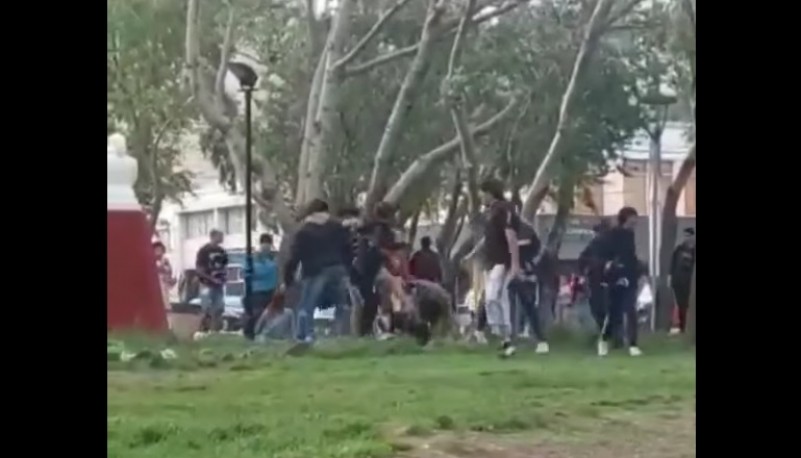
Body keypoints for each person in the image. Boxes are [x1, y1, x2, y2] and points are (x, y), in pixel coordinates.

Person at [283, 199, 352, 349]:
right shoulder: (337, 227)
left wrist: (288, 278)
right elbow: (347, 249)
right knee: (340, 304)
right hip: (338, 268)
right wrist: (347, 267)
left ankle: (306, 335)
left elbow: (295, 256)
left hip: (315, 271)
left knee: (306, 305)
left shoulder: (304, 231)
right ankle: (338, 334)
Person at [477, 178, 521, 358]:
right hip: (493, 261)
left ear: (488, 193)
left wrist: (515, 263)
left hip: (502, 262)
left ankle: (503, 333)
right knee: (497, 300)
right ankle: (506, 340)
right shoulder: (492, 212)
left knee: (493, 298)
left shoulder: (503, 210)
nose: (481, 198)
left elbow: (511, 236)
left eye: (482, 194)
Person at [597, 207, 642, 357]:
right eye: (632, 218)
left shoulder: (631, 235)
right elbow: (605, 255)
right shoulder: (612, 235)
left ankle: (633, 344)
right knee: (614, 312)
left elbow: (631, 256)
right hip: (615, 277)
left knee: (631, 310)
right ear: (625, 218)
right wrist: (610, 267)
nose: (635, 221)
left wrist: (637, 271)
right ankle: (604, 339)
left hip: (629, 277)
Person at [506, 217, 549, 353]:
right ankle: (511, 338)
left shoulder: (524, 230)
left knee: (528, 304)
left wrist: (527, 270)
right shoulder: (507, 230)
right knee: (516, 304)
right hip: (515, 271)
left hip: (527, 271)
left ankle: (539, 339)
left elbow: (532, 254)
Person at [243, 233, 278, 340]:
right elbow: (249, 273)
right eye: (264, 244)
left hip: (271, 289)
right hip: (257, 290)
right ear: (261, 245)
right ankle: (250, 334)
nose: (266, 247)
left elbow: (275, 272)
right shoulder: (254, 258)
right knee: (257, 313)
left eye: (268, 245)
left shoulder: (273, 257)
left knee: (269, 314)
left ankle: (264, 334)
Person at [577, 220, 611, 332]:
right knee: (598, 308)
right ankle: (605, 331)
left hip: (604, 279)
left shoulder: (603, 244)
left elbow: (582, 260)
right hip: (596, 279)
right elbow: (582, 260)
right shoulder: (593, 245)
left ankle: (607, 332)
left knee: (600, 307)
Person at [195, 230, 229, 332]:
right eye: (220, 236)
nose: (222, 238)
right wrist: (211, 279)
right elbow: (199, 269)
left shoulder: (222, 251)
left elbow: (224, 266)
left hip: (218, 285)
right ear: (213, 236)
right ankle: (203, 329)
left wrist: (223, 278)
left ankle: (215, 330)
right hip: (206, 284)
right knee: (206, 308)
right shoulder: (204, 251)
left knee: (219, 307)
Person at [670, 228, 695, 333]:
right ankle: (681, 326)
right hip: (678, 279)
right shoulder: (679, 249)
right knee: (680, 303)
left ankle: (686, 325)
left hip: (689, 280)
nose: (687, 238)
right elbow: (673, 263)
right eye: (685, 236)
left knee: (686, 303)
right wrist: (670, 276)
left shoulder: (694, 250)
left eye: (689, 236)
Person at [153, 241, 176, 309]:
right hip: (154, 283)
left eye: (160, 250)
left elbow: (169, 270)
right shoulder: (151, 260)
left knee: (165, 298)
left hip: (163, 282)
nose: (158, 252)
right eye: (156, 250)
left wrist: (164, 270)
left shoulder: (165, 260)